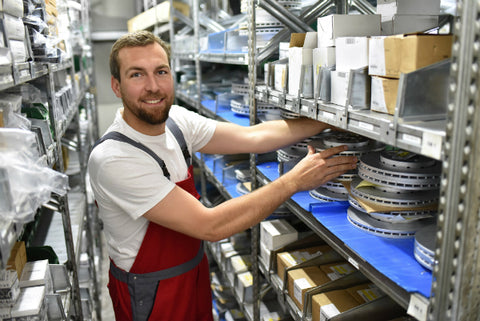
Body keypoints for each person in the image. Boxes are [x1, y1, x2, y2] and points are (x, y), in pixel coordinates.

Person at [88, 30, 357, 321]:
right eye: (137, 75)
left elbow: (254, 137)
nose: (153, 86)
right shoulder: (114, 158)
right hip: (151, 296)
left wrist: (326, 120)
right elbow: (210, 225)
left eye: (161, 71)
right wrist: (294, 180)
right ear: (116, 86)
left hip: (193, 273)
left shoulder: (177, 121)